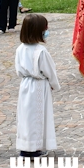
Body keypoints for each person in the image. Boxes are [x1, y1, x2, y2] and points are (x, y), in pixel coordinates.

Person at [15, 14, 60, 158]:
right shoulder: (41, 51)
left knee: (26, 116)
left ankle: (25, 147)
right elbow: (49, 70)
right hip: (40, 86)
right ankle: (35, 148)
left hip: (25, 85)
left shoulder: (20, 49)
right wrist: (54, 84)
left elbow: (18, 70)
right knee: (38, 116)